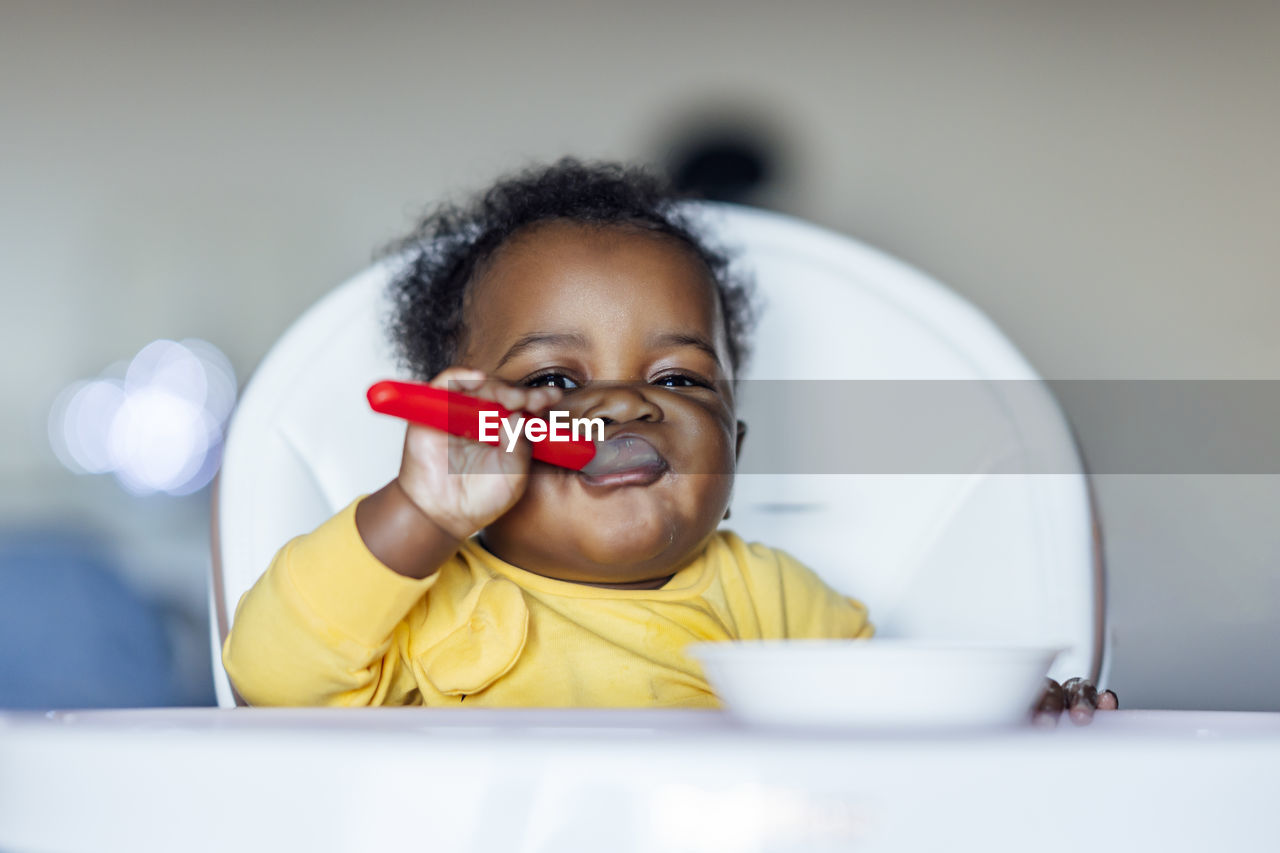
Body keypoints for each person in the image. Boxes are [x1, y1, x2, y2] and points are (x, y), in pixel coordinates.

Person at [222, 158, 1115, 721]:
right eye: (555, 381)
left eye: (679, 380)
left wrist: (1016, 716)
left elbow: (877, 736)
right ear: (470, 433)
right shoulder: (424, 602)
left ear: (736, 443)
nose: (624, 408)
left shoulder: (771, 600)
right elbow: (270, 675)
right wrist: (418, 513)